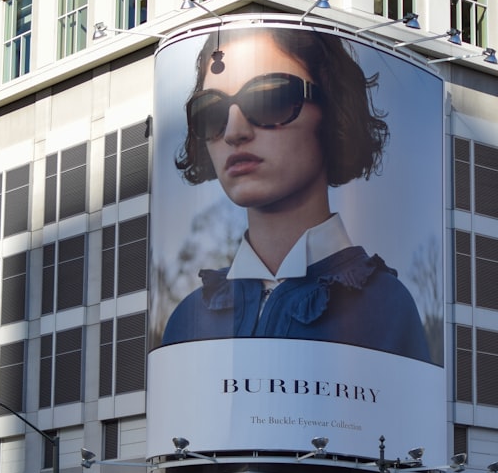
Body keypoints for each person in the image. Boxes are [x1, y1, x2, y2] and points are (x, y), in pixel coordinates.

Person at [161, 26, 431, 361]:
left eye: (270, 98)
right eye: (210, 113)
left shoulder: (386, 307)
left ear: (332, 110)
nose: (234, 132)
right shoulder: (187, 320)